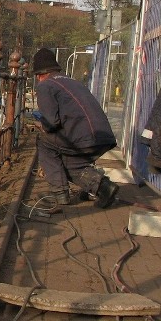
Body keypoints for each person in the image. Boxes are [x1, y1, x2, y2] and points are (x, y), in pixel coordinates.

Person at [30, 48, 119, 208]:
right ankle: (104, 187)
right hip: (104, 137)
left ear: (39, 75)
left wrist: (41, 125)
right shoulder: (72, 82)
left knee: (44, 142)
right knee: (69, 164)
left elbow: (51, 123)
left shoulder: (46, 86)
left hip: (84, 139)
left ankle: (60, 193)